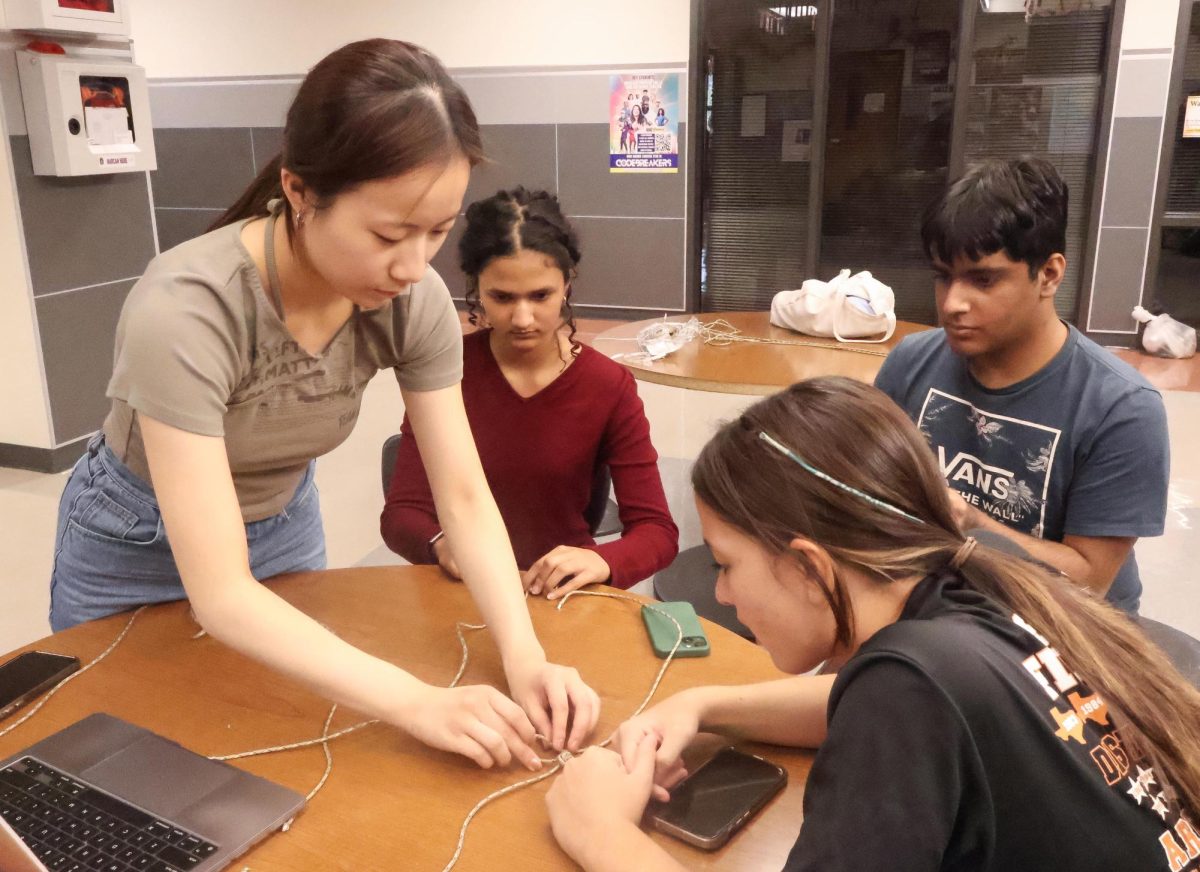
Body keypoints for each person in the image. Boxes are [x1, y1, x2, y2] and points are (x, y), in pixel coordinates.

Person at [48, 39, 599, 770]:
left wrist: (525, 656)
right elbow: (220, 594)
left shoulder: (412, 300)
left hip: (281, 521)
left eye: (437, 232)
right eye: (388, 234)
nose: (413, 267)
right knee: (118, 758)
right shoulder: (187, 309)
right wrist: (418, 701)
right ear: (300, 193)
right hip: (134, 538)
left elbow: (463, 498)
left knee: (273, 739)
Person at [544, 377, 1200, 872]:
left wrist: (599, 829)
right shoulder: (967, 587)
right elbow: (872, 700)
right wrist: (702, 703)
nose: (720, 592)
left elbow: (897, 704)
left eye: (726, 565)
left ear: (807, 565)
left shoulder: (908, 689)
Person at [874, 157, 1168, 613]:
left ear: (1048, 274)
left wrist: (972, 525)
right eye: (942, 276)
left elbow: (1090, 579)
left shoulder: (1121, 408)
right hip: (940, 601)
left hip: (1065, 627)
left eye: (983, 279)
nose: (952, 303)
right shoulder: (911, 363)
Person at [381, 187, 678, 596]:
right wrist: (447, 548)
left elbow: (657, 531)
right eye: (501, 298)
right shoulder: (445, 371)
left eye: (541, 296)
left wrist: (601, 560)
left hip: (561, 591)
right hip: (462, 586)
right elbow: (402, 514)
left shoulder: (608, 386)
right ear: (476, 288)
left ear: (568, 284)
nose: (523, 318)